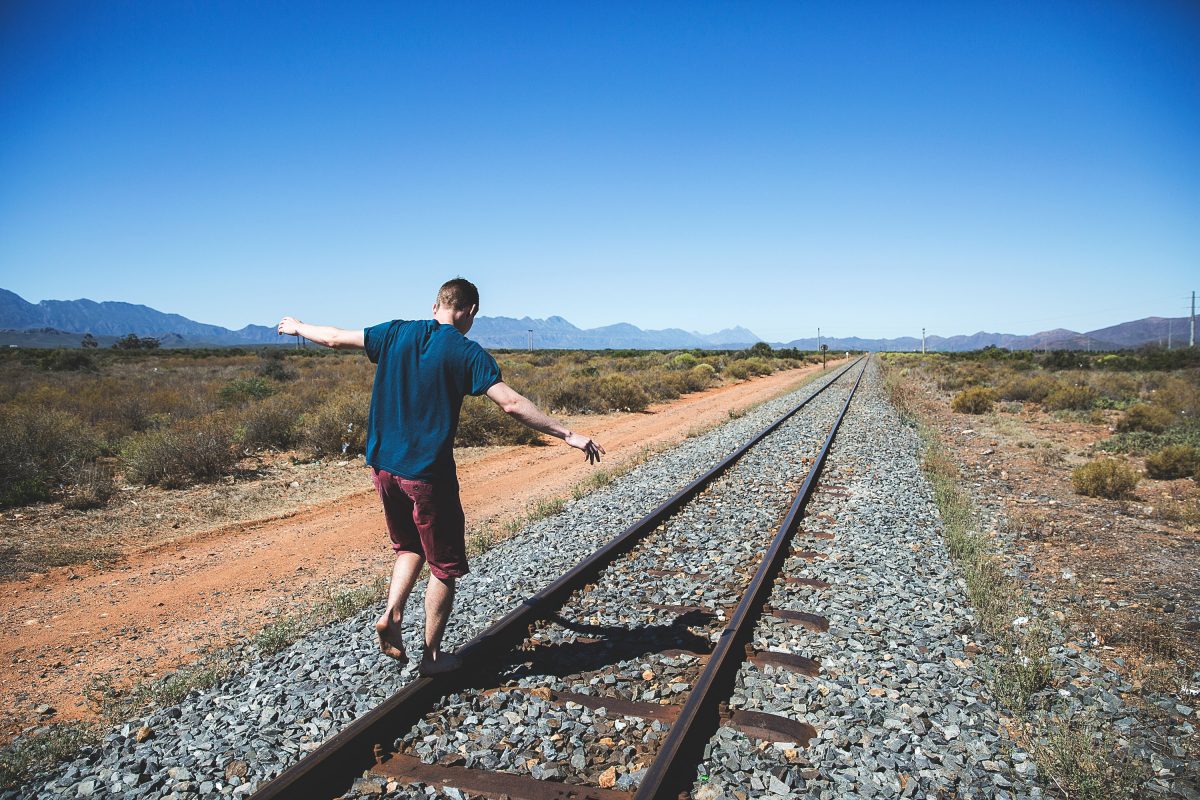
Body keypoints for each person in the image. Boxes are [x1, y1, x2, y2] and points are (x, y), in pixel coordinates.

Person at [277, 278, 604, 675]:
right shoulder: (467, 352)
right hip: (428, 475)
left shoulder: (396, 332)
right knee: (444, 566)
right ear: (469, 312)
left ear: (436, 306)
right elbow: (513, 404)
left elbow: (331, 338)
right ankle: (432, 658)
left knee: (408, 546)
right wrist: (568, 434)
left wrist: (296, 326)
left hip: (383, 468)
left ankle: (393, 615)